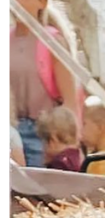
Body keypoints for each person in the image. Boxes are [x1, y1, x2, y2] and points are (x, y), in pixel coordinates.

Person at [12, 0, 83, 167]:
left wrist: (68, 144)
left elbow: (70, 101)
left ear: (42, 4)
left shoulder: (52, 41)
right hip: (10, 131)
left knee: (38, 191)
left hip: (43, 135)